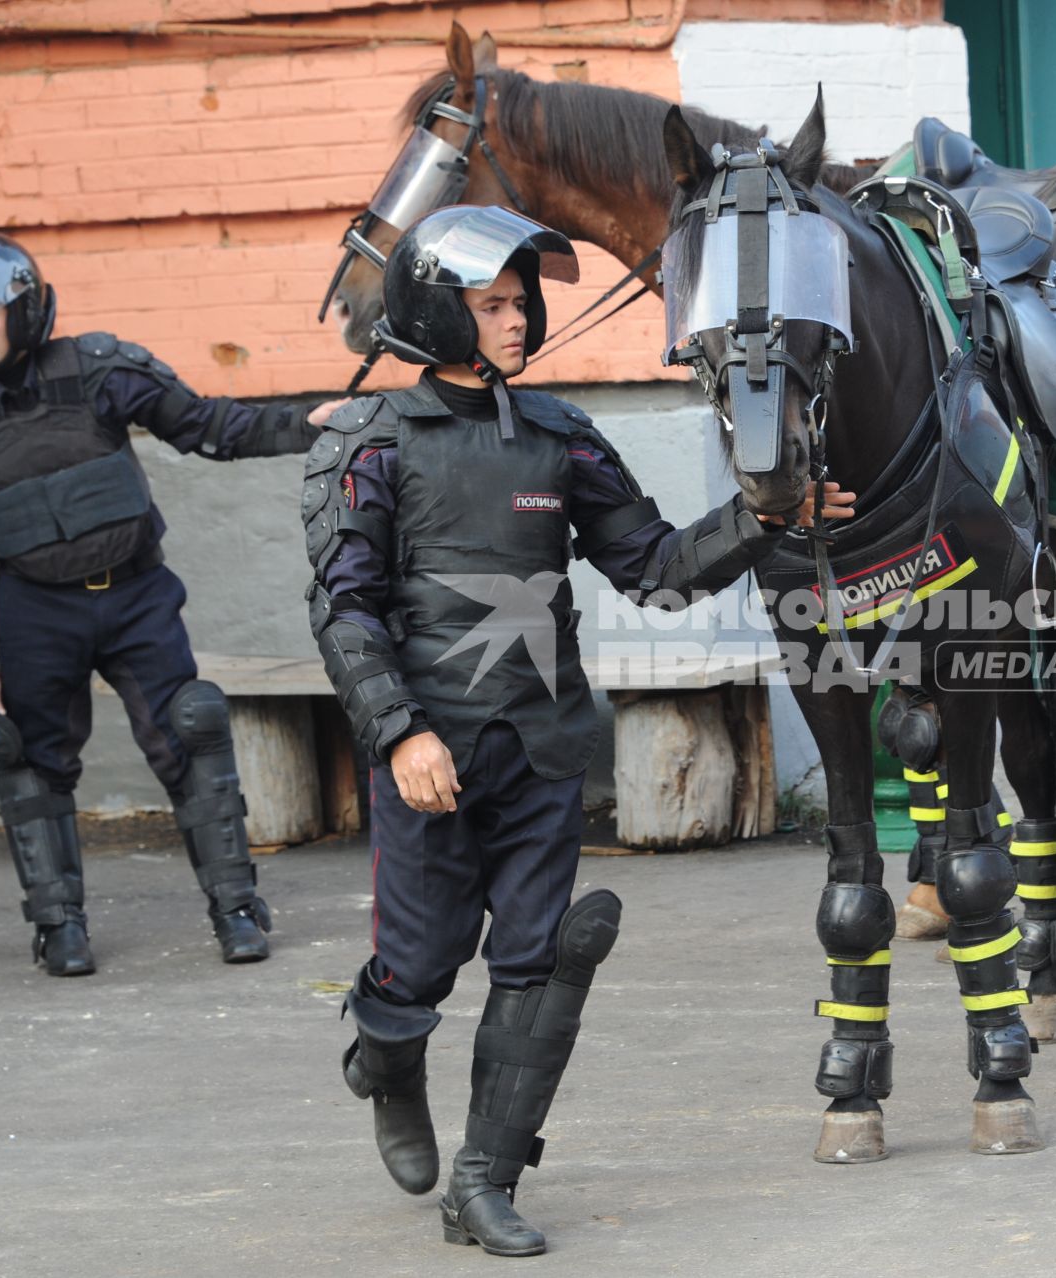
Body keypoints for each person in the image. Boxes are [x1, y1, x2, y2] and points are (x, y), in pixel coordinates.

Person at [309, 205, 853, 1257]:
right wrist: (400, 734)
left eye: (522, 302)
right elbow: (346, 609)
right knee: (420, 969)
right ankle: (383, 1057)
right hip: (431, 756)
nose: (518, 321)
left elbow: (649, 566)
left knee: (540, 956)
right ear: (437, 310)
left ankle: (484, 1180)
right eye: (494, 304)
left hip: (542, 749)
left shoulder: (559, 435)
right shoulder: (367, 447)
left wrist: (763, 518)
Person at [0, 231, 343, 975]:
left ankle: (236, 910)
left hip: (136, 596)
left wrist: (309, 423)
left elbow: (209, 427)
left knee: (191, 732)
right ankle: (58, 928)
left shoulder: (101, 368)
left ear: (23, 308)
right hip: (36, 612)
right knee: (32, 763)